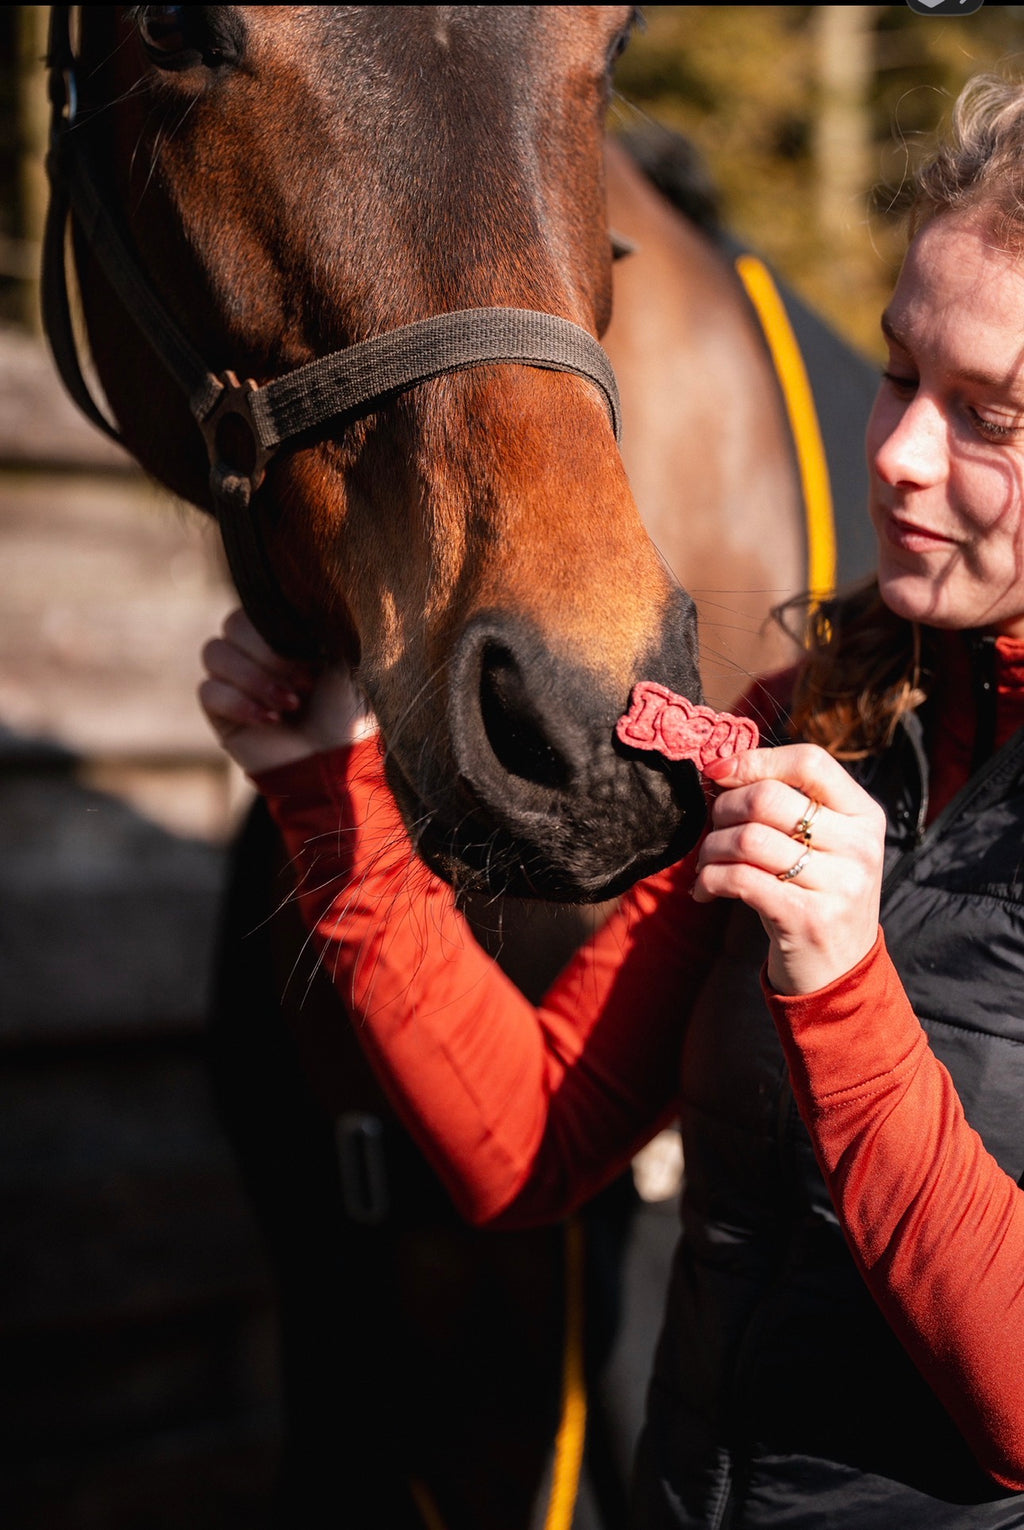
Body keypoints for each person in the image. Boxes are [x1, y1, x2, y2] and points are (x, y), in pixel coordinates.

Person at [198, 73, 1024, 1528]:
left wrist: (843, 990)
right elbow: (535, 1136)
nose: (893, 452)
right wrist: (326, 786)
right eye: (901, 374)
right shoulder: (815, 716)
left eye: (990, 418)